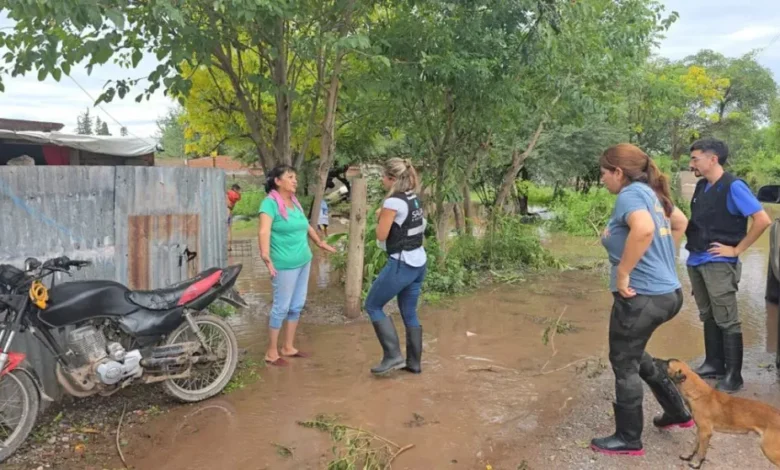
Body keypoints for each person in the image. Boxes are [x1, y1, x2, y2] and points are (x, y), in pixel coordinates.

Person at [590, 144, 694, 456]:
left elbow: (645, 229)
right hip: (666, 294)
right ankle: (677, 412)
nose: (602, 180)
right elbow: (680, 223)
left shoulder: (632, 194)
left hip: (642, 297)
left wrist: (624, 273)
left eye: (604, 174)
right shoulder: (652, 193)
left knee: (623, 362)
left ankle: (628, 438)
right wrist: (664, 260)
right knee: (635, 354)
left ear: (618, 172)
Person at [685, 138, 771, 393]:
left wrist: (736, 249)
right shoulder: (702, 186)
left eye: (695, 159)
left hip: (720, 263)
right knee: (708, 314)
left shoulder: (734, 187)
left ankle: (734, 376)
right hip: (697, 259)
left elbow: (762, 219)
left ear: (713, 159)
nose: (691, 164)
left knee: (727, 318)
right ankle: (714, 363)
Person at [258, 165, 336, 366]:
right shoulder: (269, 204)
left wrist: (319, 242)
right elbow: (264, 231)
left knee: (296, 305)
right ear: (277, 181)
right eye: (290, 177)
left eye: (295, 177)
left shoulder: (294, 202)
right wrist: (265, 255)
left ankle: (288, 347)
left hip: (303, 260)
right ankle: (271, 351)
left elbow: (306, 225)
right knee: (281, 307)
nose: (295, 181)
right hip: (283, 264)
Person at [364, 157, 427, 376]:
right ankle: (414, 363)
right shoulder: (413, 198)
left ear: (391, 179)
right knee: (409, 312)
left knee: (372, 305)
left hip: (402, 263)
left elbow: (381, 235)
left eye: (383, 176)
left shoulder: (392, 202)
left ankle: (392, 356)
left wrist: (380, 216)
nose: (382, 180)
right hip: (419, 262)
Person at [227, 184, 242, 251]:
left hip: (224, 212)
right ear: (235, 189)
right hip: (229, 212)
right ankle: (229, 247)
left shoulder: (228, 193)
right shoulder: (236, 196)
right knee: (229, 230)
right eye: (238, 190)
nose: (239, 191)